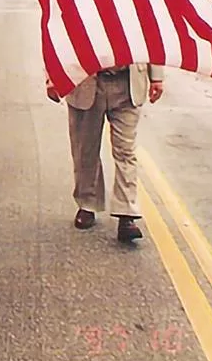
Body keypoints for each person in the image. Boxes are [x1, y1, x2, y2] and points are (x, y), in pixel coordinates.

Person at [47, 64, 164, 243]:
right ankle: (87, 203)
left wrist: (157, 77)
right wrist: (53, 76)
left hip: (127, 83)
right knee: (85, 149)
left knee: (126, 151)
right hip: (85, 80)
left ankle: (126, 213)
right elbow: (57, 44)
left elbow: (152, 44)